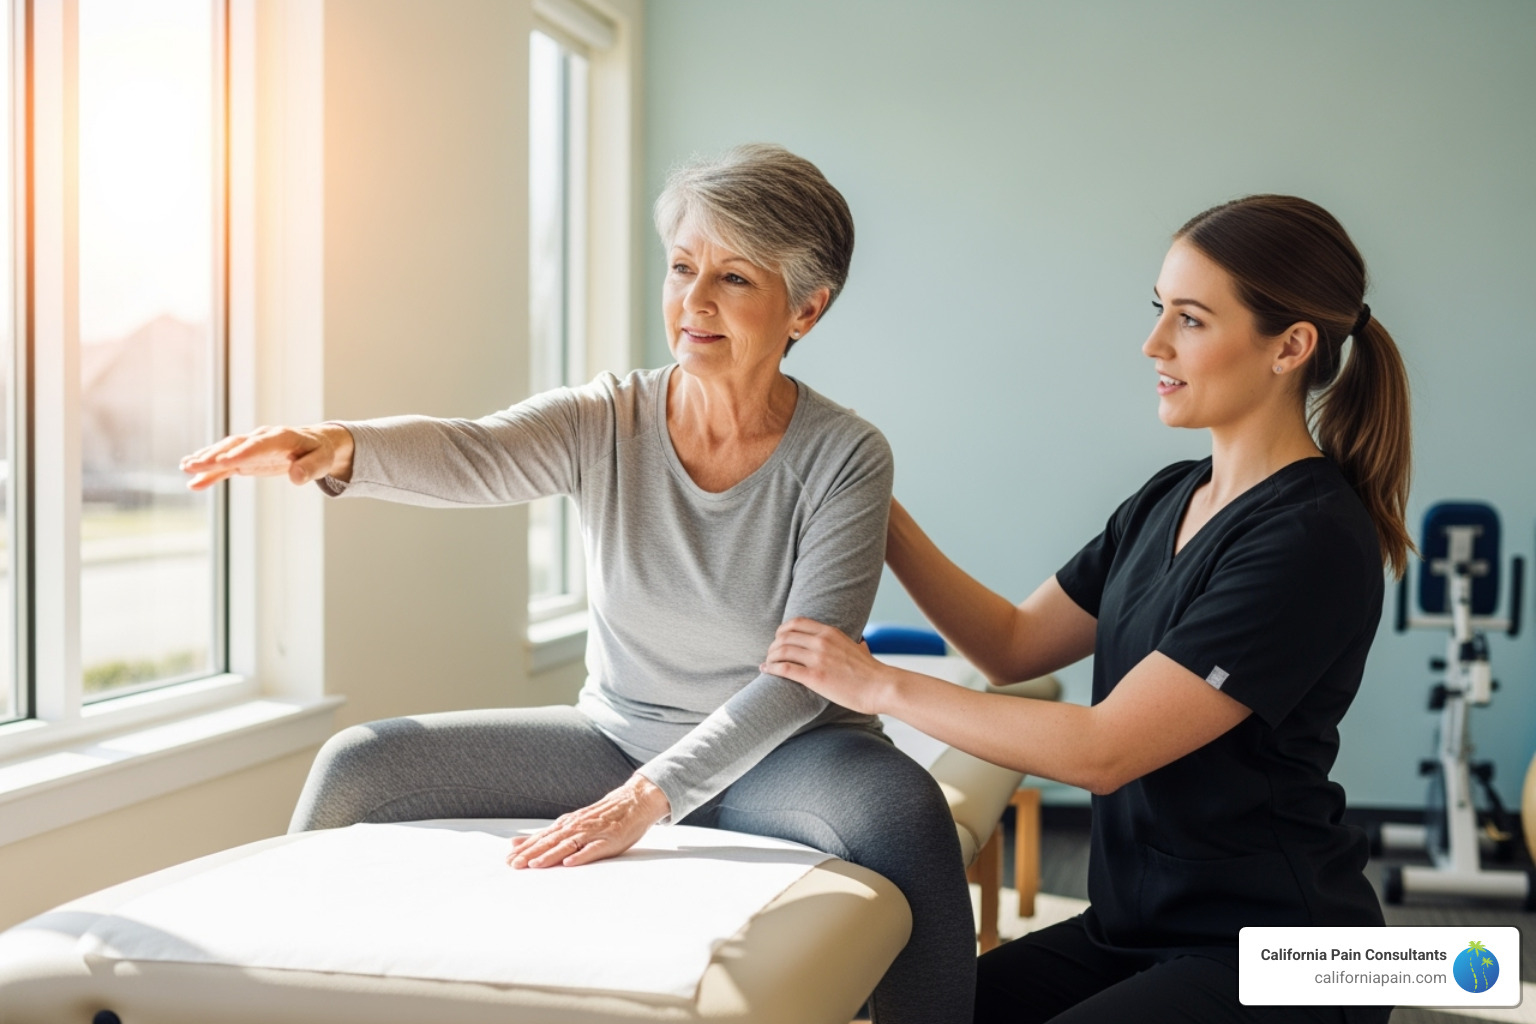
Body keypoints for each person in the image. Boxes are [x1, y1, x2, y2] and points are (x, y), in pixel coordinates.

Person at [181, 143, 974, 1024]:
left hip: (790, 757)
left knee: (908, 813)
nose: (694, 300)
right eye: (682, 267)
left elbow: (801, 677)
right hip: (615, 734)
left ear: (807, 309)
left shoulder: (845, 455)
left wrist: (647, 802)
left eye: (735, 278)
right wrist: (337, 445)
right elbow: (475, 452)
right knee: (361, 767)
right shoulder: (611, 416)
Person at [763, 195, 1407, 1024]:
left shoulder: (1310, 538)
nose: (1154, 344)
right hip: (1132, 927)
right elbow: (1012, 644)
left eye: (1192, 320)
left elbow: (1105, 751)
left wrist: (878, 684)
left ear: (1290, 346)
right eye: (1158, 311)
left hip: (1283, 949)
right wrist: (866, 497)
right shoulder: (1168, 499)